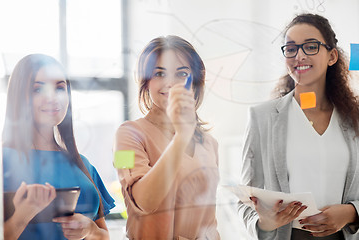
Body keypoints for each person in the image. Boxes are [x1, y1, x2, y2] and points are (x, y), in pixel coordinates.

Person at [238, 13, 359, 240]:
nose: (299, 56)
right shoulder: (261, 117)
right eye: (291, 48)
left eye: (311, 47)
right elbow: (245, 201)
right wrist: (264, 223)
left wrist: (352, 213)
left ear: (332, 56)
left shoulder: (355, 119)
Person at [114, 35, 220, 239]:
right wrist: (181, 137)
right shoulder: (126, 136)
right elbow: (142, 201)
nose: (170, 83)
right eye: (159, 73)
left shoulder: (209, 143)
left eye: (181, 74)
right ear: (145, 81)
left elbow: (209, 222)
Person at [3, 54, 115, 240]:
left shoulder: (82, 164)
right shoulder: (4, 160)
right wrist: (22, 217)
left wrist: (90, 230)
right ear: (19, 97)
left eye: (60, 88)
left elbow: (104, 236)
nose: (52, 97)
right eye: (38, 90)